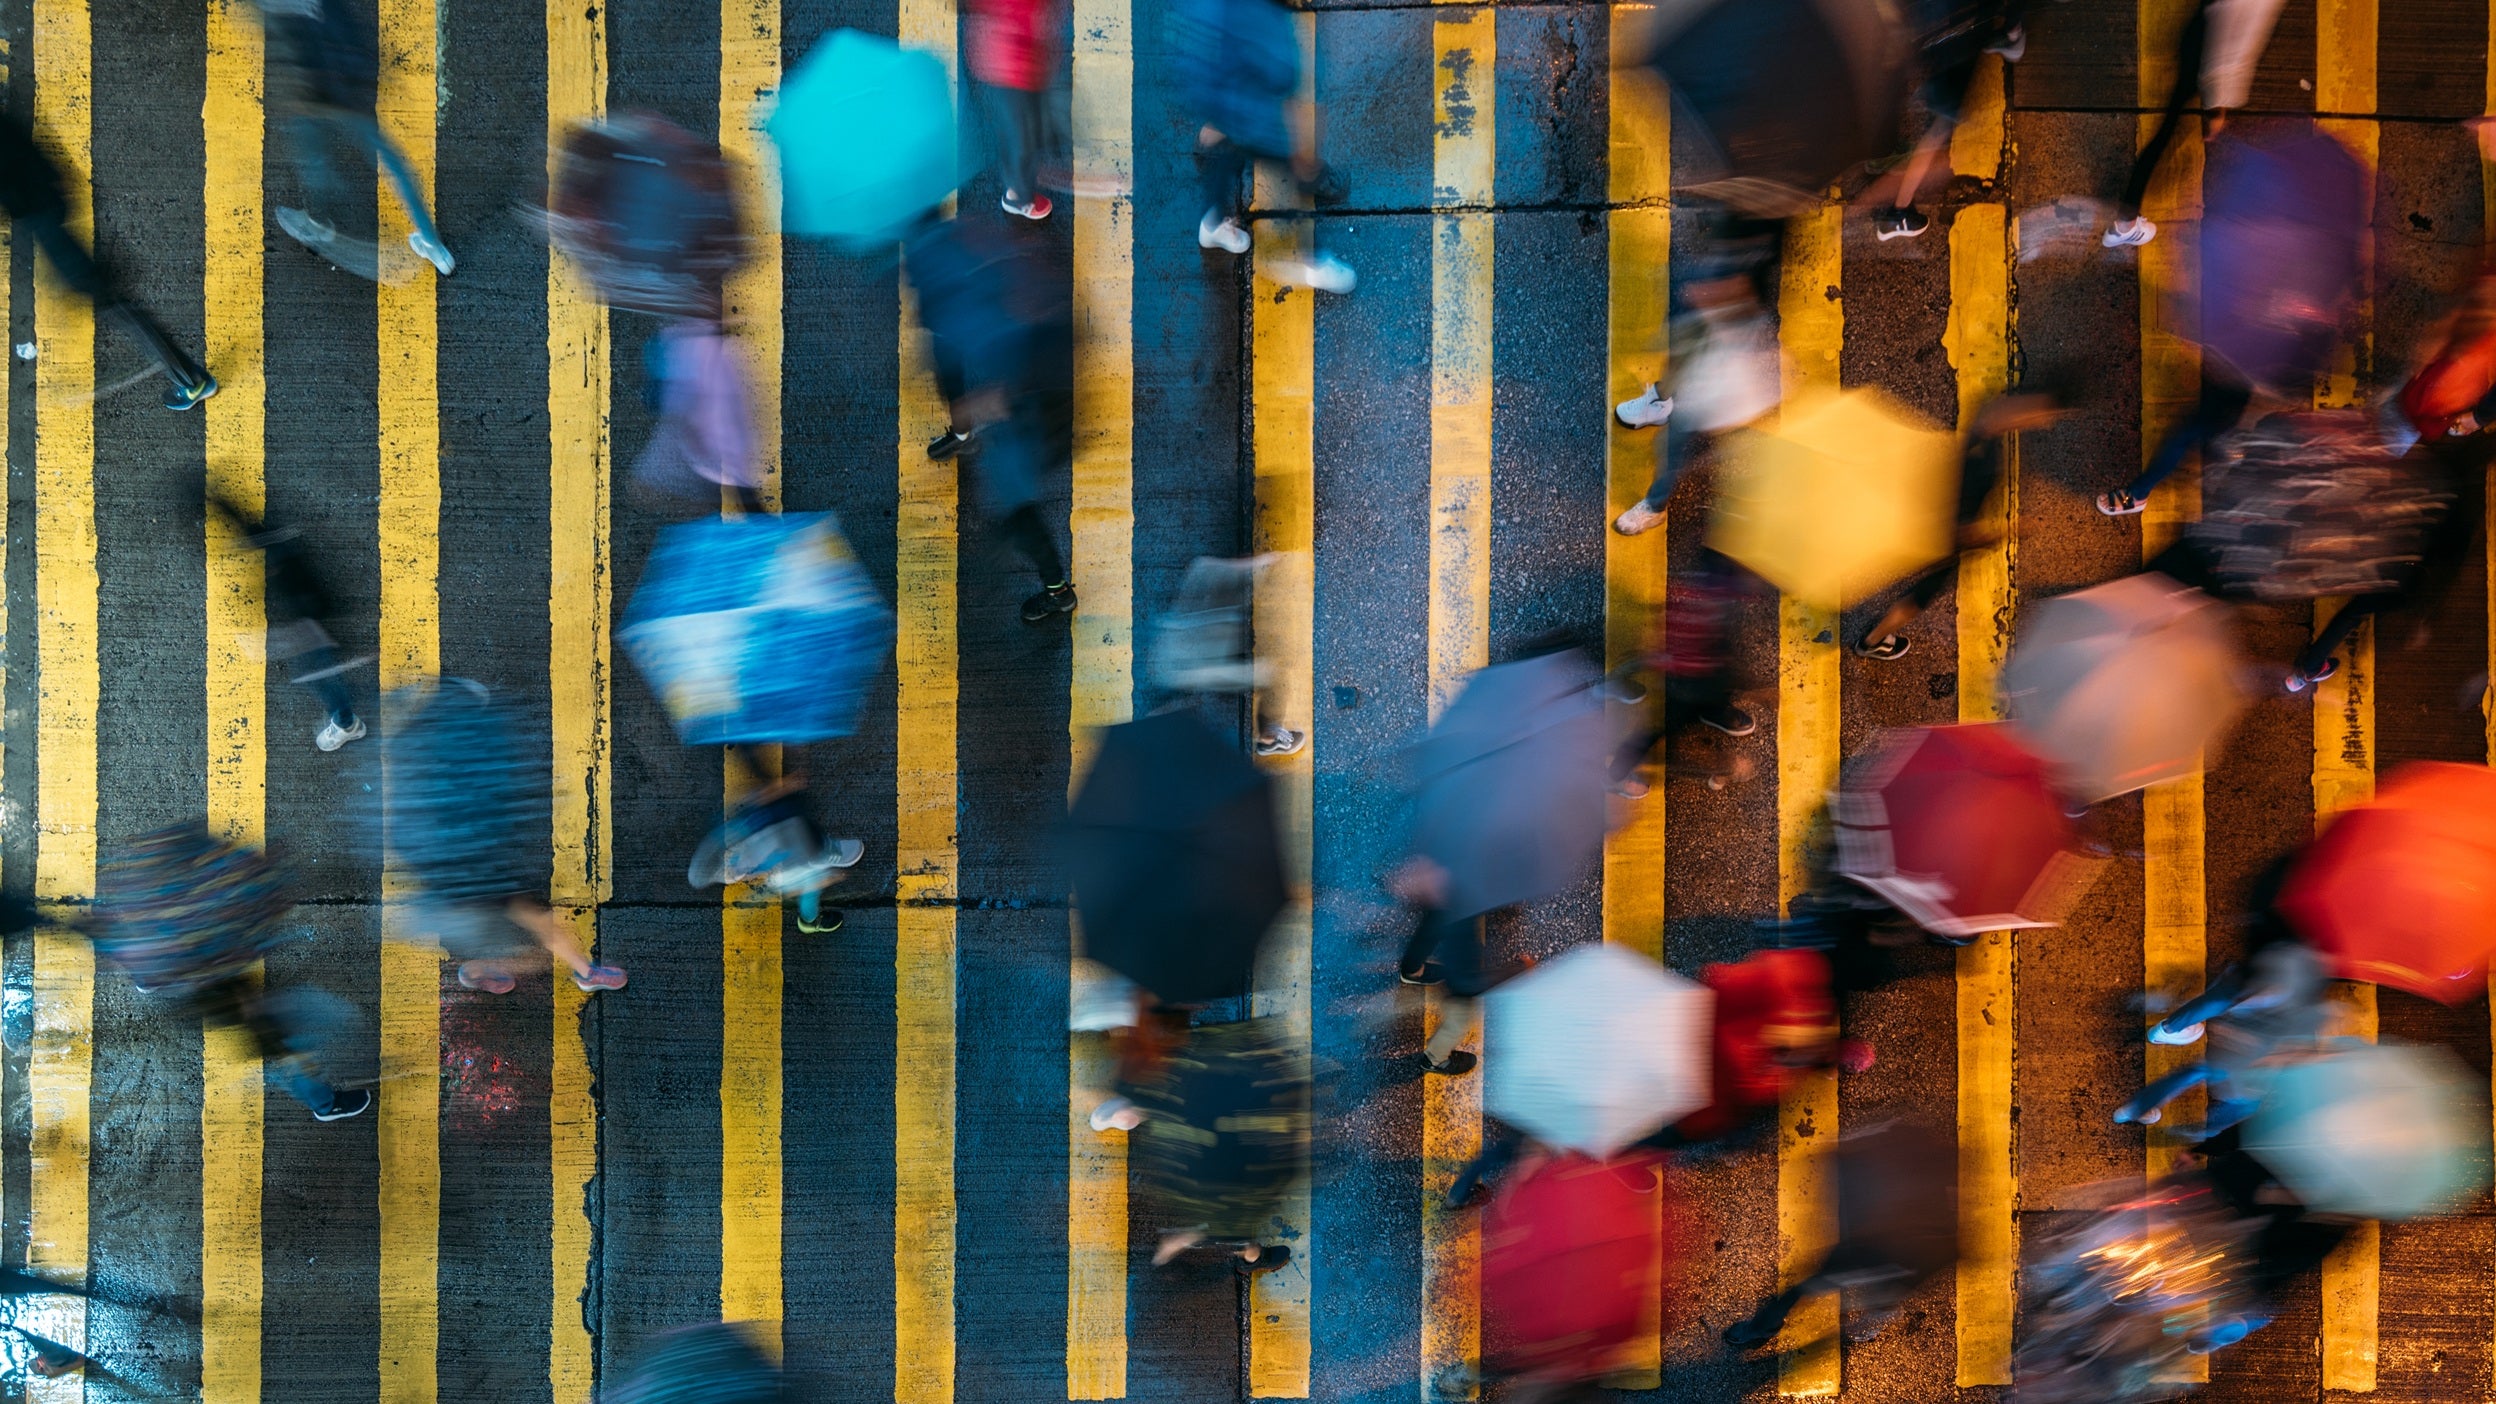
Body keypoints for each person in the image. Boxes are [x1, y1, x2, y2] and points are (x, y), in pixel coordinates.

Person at [904, 216, 1081, 623]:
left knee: (1018, 509)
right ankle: (963, 437)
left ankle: (1058, 591)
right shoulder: (1018, 293)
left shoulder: (1041, 332)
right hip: (1026, 420)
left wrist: (982, 405)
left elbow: (1023, 392)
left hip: (1035, 431)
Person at [0, 111, 216, 411]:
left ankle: (192, 380)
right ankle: (190, 377)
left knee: (118, 307)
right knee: (115, 302)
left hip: (46, 220)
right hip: (49, 200)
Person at [1855, 386, 2071, 658]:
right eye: (2043, 415)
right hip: (1945, 540)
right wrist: (2008, 531)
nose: (2043, 422)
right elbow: (1966, 533)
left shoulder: (1986, 428)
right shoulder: (1985, 461)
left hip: (1930, 511)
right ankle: (1871, 642)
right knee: (1918, 597)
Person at [255, 0, 456, 278]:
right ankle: (434, 246)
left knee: (314, 156)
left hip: (316, 87)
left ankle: (318, 225)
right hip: (351, 76)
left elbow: (290, 41)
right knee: (388, 158)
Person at [1168, 0, 1354, 293]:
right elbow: (1288, 83)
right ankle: (1312, 258)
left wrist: (1215, 119)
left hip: (1226, 110)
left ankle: (1212, 224)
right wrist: (1306, 152)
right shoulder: (1270, 25)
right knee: (1298, 175)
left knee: (1225, 156)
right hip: (1261, 123)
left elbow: (1196, 60)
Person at [1723, 1120, 1957, 1350]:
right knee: (1865, 1286)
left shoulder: (1899, 1169)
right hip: (1880, 1244)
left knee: (1820, 1285)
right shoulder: (1915, 1158)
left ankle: (1764, 1327)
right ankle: (1768, 1325)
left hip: (1888, 1249)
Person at [2101, 0, 2288, 248]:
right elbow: (2236, 42)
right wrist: (2218, 106)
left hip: (2198, 34)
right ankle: (2125, 224)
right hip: (2209, 51)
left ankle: (2126, 220)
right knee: (2171, 134)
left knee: (2167, 129)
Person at [1610, 267, 1779, 535]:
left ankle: (1655, 508)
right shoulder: (1724, 264)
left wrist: (1720, 295)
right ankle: (1660, 400)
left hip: (1725, 385)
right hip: (1720, 323)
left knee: (1676, 445)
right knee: (1682, 351)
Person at [208, 495, 368, 751]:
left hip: (308, 617)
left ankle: (348, 723)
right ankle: (346, 722)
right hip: (307, 610)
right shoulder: (279, 556)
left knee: (317, 674)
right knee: (317, 671)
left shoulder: (280, 566)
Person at [1610, 549, 1758, 798]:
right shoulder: (1700, 603)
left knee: (1713, 693)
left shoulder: (1706, 591)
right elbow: (1682, 654)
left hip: (1701, 674)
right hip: (1689, 683)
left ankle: (1712, 711)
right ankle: (1615, 774)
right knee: (1665, 728)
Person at [1148, 554, 1304, 756]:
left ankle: (1162, 722)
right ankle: (1270, 737)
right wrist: (1264, 562)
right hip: (1201, 669)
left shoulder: (1203, 578)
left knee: (1185, 703)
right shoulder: (1203, 574)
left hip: (1169, 663)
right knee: (1273, 676)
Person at [968, 0, 1060, 220]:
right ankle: (1019, 197)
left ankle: (1019, 188)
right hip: (1013, 67)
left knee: (1022, 130)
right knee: (1022, 136)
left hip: (1011, 61)